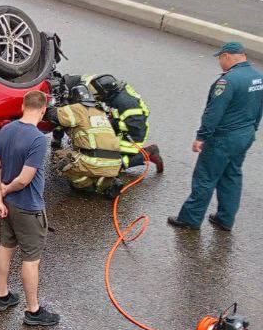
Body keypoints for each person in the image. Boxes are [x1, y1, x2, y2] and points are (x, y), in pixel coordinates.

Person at [169, 42, 263, 232]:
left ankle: (190, 219)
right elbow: (259, 109)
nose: (220, 63)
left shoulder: (227, 81)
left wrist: (201, 137)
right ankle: (225, 219)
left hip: (223, 138)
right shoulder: (258, 77)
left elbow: (214, 113)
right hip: (245, 135)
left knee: (205, 178)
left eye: (220, 58)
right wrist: (252, 129)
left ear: (227, 56)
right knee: (232, 175)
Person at [0, 89, 59, 327]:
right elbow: (25, 178)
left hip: (8, 206)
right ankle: (33, 311)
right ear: (42, 110)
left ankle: (3, 296)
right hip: (29, 207)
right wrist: (6, 190)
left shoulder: (6, 130)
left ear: (22, 106)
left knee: (6, 246)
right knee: (31, 259)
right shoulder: (38, 139)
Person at [50, 84, 124, 196]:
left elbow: (53, 115)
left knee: (59, 156)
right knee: (87, 157)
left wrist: (50, 105)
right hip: (116, 162)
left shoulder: (78, 108)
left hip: (94, 161)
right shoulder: (100, 112)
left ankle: (84, 185)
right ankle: (105, 183)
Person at [85, 74, 163, 173]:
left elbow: (136, 125)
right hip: (124, 129)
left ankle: (148, 153)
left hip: (133, 135)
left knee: (111, 163)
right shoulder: (116, 94)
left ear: (106, 91)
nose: (96, 95)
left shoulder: (128, 103)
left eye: (98, 93)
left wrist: (114, 124)